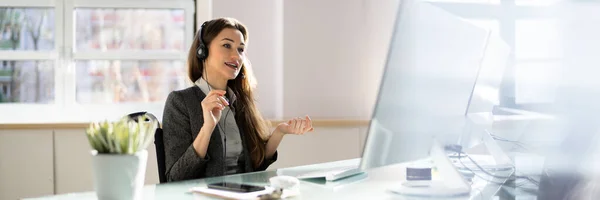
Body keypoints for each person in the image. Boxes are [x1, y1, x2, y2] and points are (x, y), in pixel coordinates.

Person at [162, 17, 314, 182]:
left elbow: (255, 167)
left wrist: (280, 132)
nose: (236, 55)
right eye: (227, 45)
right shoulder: (180, 102)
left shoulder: (238, 101)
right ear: (202, 51)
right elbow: (175, 178)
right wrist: (207, 128)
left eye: (241, 49)